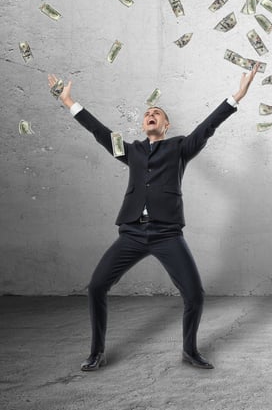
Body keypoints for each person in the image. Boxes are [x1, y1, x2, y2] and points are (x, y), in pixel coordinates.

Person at [48, 64, 259, 371]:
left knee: (195, 295)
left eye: (157, 112)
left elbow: (208, 126)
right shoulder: (130, 150)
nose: (151, 114)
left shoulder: (180, 147)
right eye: (148, 112)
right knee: (96, 287)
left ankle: (189, 350)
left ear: (166, 124)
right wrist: (69, 102)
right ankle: (97, 353)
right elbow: (99, 132)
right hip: (132, 233)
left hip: (167, 234)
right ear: (143, 123)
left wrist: (237, 95)